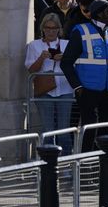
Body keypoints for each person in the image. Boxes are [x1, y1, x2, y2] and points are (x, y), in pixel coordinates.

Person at [61, 0, 108, 151]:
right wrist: (77, 87)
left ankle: (103, 161)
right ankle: (87, 163)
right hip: (87, 89)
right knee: (90, 127)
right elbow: (66, 62)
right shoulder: (81, 31)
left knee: (105, 127)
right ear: (99, 14)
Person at [25, 12, 74, 153]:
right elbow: (31, 70)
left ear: (59, 29)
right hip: (44, 91)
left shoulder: (67, 44)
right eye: (48, 28)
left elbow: (76, 66)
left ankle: (65, 165)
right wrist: (41, 58)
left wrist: (63, 59)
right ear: (42, 28)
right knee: (47, 130)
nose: (51, 31)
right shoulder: (34, 45)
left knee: (64, 130)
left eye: (54, 28)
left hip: (65, 90)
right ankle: (47, 165)